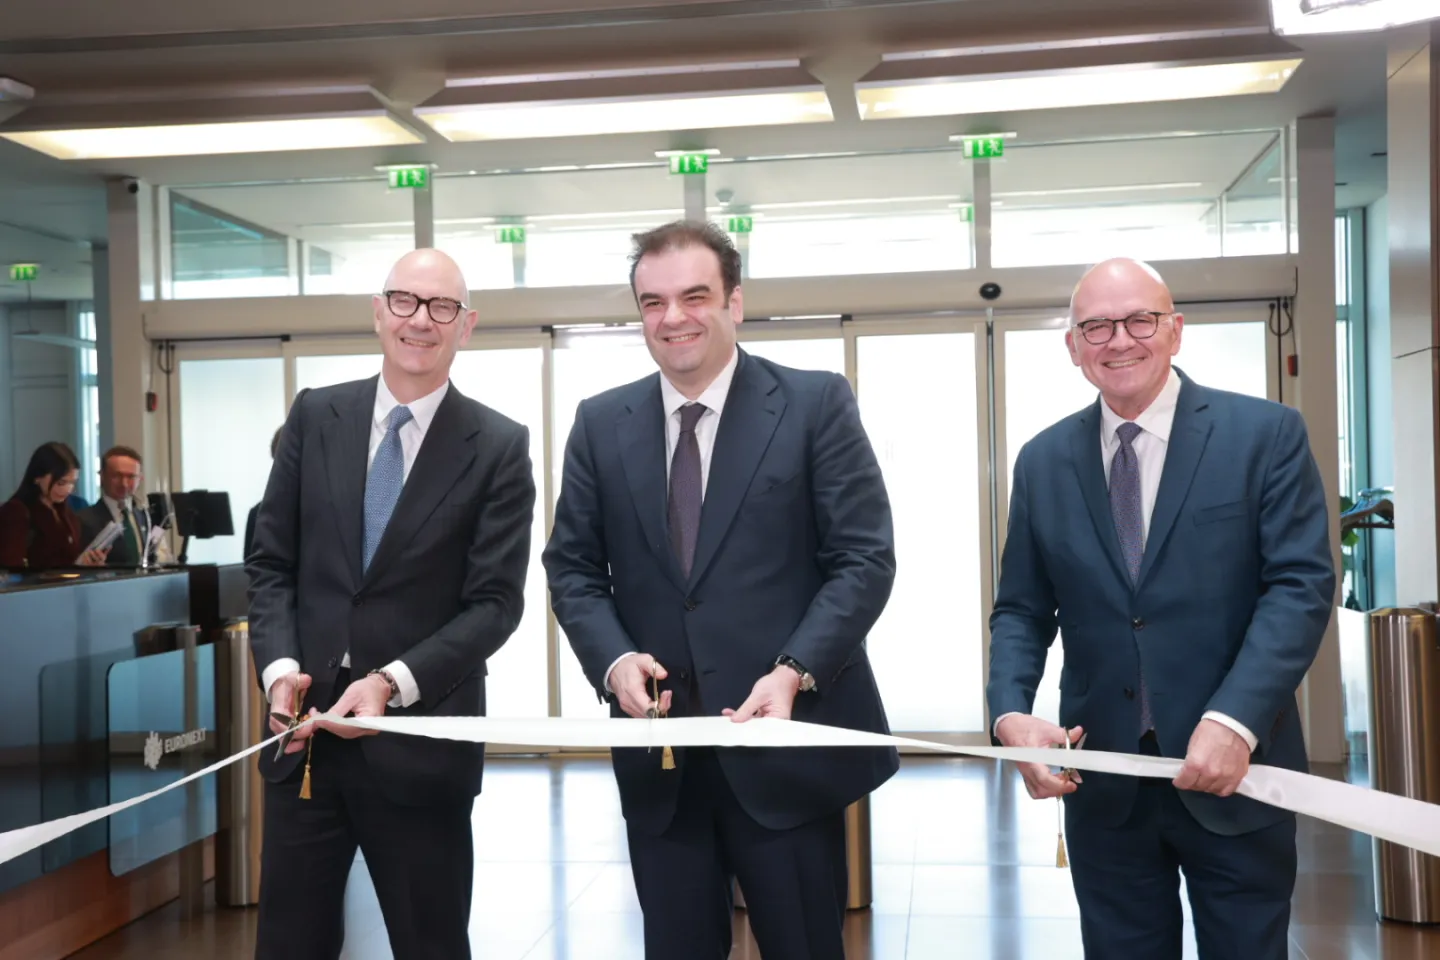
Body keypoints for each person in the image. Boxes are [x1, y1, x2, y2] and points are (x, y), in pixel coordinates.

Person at [543, 220, 899, 959]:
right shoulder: (600, 423)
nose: (673, 317)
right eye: (653, 302)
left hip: (782, 749)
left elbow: (863, 559)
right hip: (659, 759)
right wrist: (614, 663)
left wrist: (795, 669)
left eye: (695, 296)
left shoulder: (813, 404)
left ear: (735, 303)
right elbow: (573, 569)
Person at [986, 257, 1335, 959]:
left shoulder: (1264, 436)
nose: (1120, 341)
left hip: (1239, 772)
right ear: (1073, 346)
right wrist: (1008, 713)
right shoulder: (1042, 460)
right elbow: (1022, 608)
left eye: (1139, 320)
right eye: (1097, 327)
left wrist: (1235, 720)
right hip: (1105, 782)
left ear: (1175, 330)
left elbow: (1299, 587)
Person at [245, 248, 536, 960]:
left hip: (421, 740)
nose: (420, 321)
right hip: (305, 735)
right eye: (404, 301)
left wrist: (390, 682)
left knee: (430, 941)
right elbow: (271, 563)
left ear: (466, 326)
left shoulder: (498, 446)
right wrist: (279, 666)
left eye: (441, 307)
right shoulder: (317, 416)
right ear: (379, 312)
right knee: (290, 942)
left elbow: (494, 604)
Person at [0, 441, 109, 569]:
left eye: (72, 483)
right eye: (61, 483)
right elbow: (12, 567)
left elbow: (70, 558)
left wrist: (89, 562)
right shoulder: (16, 511)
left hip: (68, 586)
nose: (67, 490)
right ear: (37, 477)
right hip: (37, 587)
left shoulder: (65, 510)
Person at [77, 445, 173, 567]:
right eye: (116, 476)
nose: (124, 483)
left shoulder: (145, 517)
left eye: (131, 477)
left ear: (140, 479)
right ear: (102, 476)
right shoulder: (83, 520)